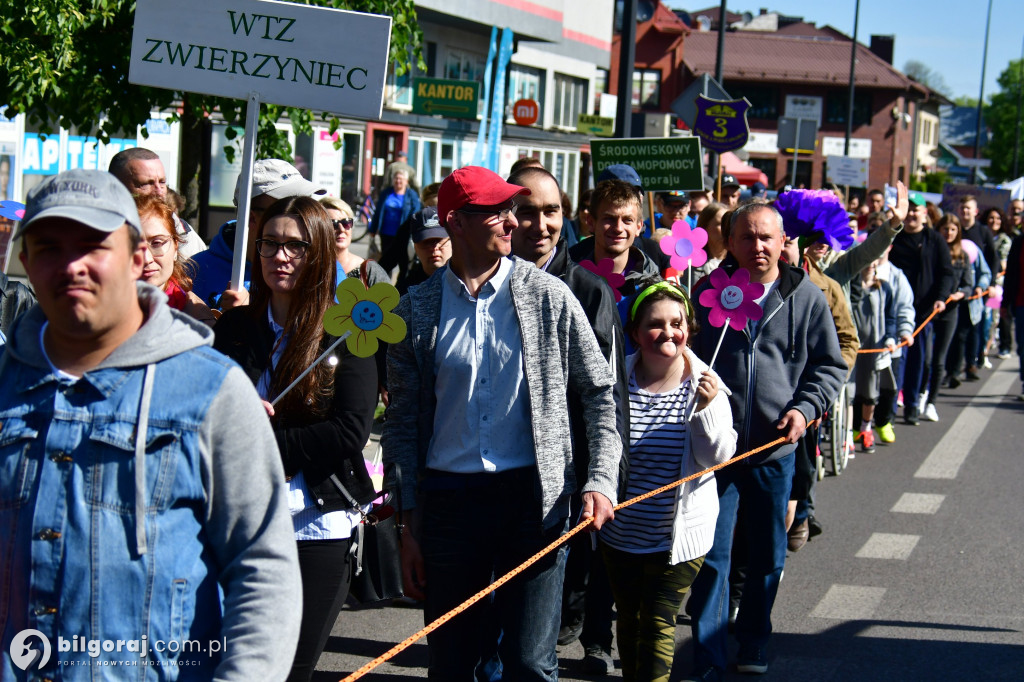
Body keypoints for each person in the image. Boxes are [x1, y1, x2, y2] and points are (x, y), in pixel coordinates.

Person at [0, 169, 301, 678]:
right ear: (26, 263)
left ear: (139, 258)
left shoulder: (211, 390)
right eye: (50, 247)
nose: (72, 265)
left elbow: (264, 571)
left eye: (94, 245)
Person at [382, 166, 622, 681]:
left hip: (533, 501)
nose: (513, 222)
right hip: (449, 503)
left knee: (530, 664)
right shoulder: (417, 309)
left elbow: (600, 392)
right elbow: (400, 425)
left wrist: (601, 480)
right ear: (456, 223)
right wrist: (407, 524)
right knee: (451, 664)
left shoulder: (550, 296)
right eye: (498, 211)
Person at [213, 196, 379, 682]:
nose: (279, 256)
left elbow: (351, 430)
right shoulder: (237, 328)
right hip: (239, 520)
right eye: (269, 244)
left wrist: (263, 438)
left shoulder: (347, 329)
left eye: (294, 246)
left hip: (316, 525)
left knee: (291, 670)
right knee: (237, 665)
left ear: (320, 253)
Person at [683, 202, 846, 681]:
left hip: (775, 450)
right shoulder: (708, 292)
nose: (757, 247)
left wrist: (803, 409)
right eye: (747, 237)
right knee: (712, 555)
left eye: (766, 238)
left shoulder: (807, 296)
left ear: (783, 243)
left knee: (767, 554)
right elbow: (683, 353)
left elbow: (829, 365)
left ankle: (754, 639)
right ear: (730, 242)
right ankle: (708, 654)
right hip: (716, 448)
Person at [508, 165, 628, 675]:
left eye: (551, 211)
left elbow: (606, 396)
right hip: (487, 483)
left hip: (563, 486)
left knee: (537, 648)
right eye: (527, 211)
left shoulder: (589, 290)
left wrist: (602, 479)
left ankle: (591, 640)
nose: (540, 224)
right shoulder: (477, 289)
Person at [600, 280, 736, 682]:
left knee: (658, 622)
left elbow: (718, 458)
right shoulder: (613, 380)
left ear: (689, 329)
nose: (669, 332)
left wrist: (707, 411)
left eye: (677, 322)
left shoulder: (706, 385)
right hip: (619, 533)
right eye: (655, 324)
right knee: (629, 619)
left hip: (676, 539)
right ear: (635, 333)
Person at [192, 159, 326, 310]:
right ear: (250, 218)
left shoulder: (324, 267)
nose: (298, 213)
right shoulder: (195, 272)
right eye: (284, 208)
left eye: (304, 204)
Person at [887, 191, 954, 425]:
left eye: (917, 210)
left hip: (923, 312)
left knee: (919, 361)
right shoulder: (893, 237)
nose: (912, 214)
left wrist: (941, 297)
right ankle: (890, 406)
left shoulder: (934, 240)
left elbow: (947, 272)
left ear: (925, 214)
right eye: (909, 210)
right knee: (895, 361)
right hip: (894, 311)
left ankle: (913, 405)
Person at [570, 179, 662, 341]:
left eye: (627, 220)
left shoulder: (653, 287)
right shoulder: (569, 281)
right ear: (591, 222)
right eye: (609, 219)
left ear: (639, 227)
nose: (618, 228)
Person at [108, 147, 206, 257]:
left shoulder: (184, 233)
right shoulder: (95, 232)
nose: (159, 191)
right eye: (146, 183)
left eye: (162, 182)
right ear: (116, 186)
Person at [134, 194, 216, 325]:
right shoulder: (96, 310)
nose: (146, 258)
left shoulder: (198, 320)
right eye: (134, 246)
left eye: (157, 243)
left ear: (175, 247)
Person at [937, 215, 977, 396]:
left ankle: (933, 395)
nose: (949, 233)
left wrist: (960, 294)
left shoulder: (962, 256)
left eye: (953, 229)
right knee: (927, 357)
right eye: (945, 229)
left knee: (942, 353)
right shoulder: (933, 251)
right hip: (930, 308)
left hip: (951, 310)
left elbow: (968, 284)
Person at [397, 207, 453, 295]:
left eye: (438, 240)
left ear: (452, 241)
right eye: (425, 242)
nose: (434, 248)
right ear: (415, 247)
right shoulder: (406, 294)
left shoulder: (471, 284)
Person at [370, 169, 421, 255]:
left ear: (406, 181)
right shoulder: (386, 193)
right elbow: (378, 212)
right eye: (396, 178)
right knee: (385, 260)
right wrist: (373, 229)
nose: (398, 181)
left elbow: (416, 212)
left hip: (403, 234)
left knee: (403, 261)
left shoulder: (411, 195)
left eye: (401, 179)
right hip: (386, 232)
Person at [320, 195, 363, 273]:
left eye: (346, 223)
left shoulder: (367, 269)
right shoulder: (308, 269)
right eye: (333, 224)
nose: (342, 229)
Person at [691, 202, 728, 282]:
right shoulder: (690, 263)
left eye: (729, 224)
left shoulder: (739, 262)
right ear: (705, 227)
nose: (727, 229)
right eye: (721, 224)